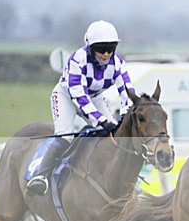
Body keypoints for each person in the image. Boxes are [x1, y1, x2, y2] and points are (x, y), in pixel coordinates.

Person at [26, 20, 135, 196]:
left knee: (115, 135)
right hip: (67, 97)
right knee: (66, 135)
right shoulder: (77, 60)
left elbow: (128, 93)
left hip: (96, 97)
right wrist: (100, 120)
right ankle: (41, 176)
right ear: (90, 48)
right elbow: (80, 98)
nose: (106, 54)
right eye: (101, 48)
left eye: (110, 48)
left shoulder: (118, 63)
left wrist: (124, 116)